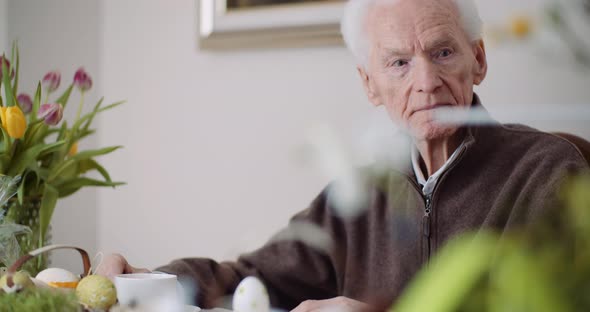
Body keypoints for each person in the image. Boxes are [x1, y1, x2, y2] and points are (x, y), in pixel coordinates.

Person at [97, 0, 589, 310]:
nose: (425, 81)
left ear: (478, 59)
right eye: (398, 62)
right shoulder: (357, 193)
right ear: (370, 84)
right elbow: (250, 280)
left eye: (442, 53)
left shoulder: (549, 171)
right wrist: (152, 282)